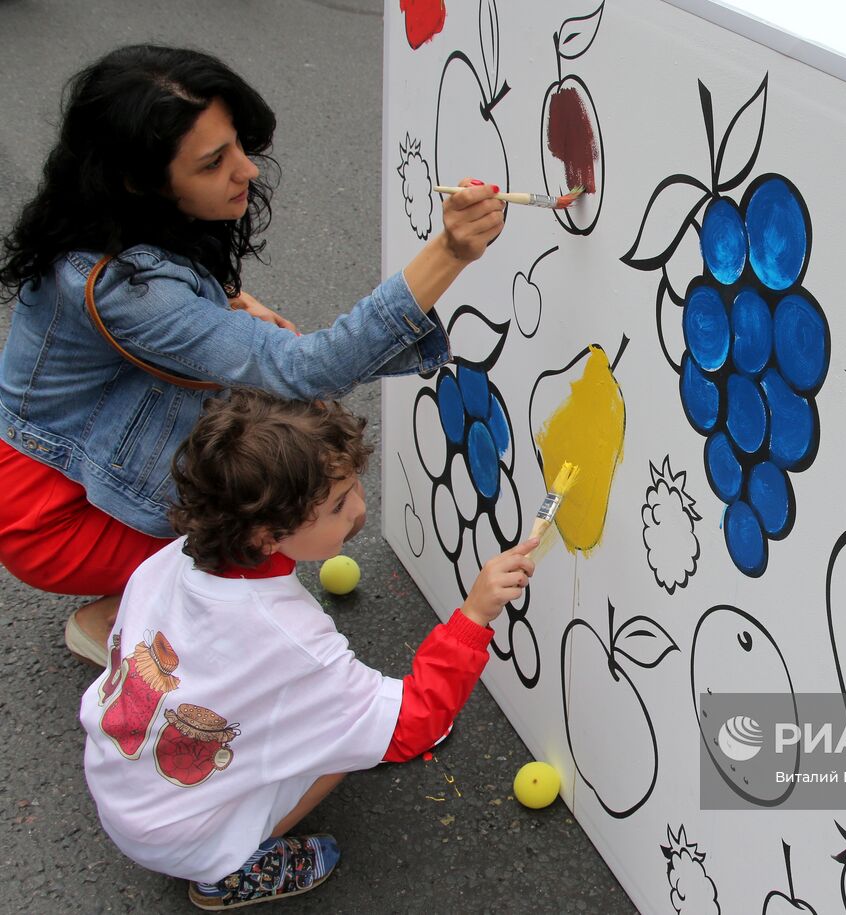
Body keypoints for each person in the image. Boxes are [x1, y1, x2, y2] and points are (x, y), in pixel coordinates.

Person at [0, 44, 503, 667]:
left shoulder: (104, 222)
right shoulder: (120, 286)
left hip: (77, 465)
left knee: (278, 434)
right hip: (49, 514)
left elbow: (188, 308)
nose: (248, 171)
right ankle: (117, 621)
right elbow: (306, 368)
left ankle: (161, 597)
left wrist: (226, 301)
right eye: (214, 163)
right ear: (139, 181)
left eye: (237, 144)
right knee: (272, 512)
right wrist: (449, 251)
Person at [79, 390, 538, 908]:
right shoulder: (287, 638)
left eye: (354, 487)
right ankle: (225, 872)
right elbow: (417, 723)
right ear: (266, 535)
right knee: (346, 744)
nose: (361, 510)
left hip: (120, 782)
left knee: (329, 723)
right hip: (184, 835)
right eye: (339, 506)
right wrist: (474, 616)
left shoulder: (171, 559)